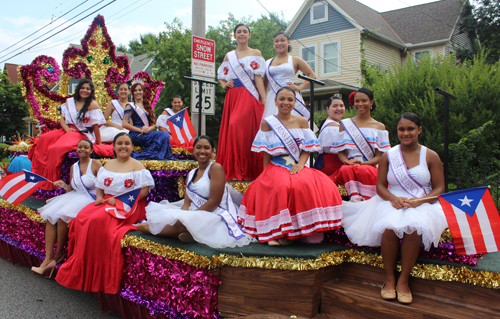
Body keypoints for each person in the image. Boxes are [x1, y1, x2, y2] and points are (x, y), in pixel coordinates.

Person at [341, 113, 447, 304]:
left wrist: (421, 200)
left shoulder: (431, 155)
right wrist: (392, 198)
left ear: (419, 130)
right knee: (389, 227)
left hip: (421, 201)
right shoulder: (389, 155)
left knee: (413, 228)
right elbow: (380, 186)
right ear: (396, 131)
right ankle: (389, 279)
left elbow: (440, 187)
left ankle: (403, 281)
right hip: (391, 200)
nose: (406, 133)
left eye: (410, 129)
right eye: (401, 129)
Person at [238, 87, 343, 246]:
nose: (285, 102)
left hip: (297, 164)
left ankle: (301, 230)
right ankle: (277, 232)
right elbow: (267, 152)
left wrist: (301, 165)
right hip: (276, 165)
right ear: (275, 101)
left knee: (306, 185)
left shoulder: (301, 121)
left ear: (295, 102)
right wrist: (265, 173)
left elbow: (307, 148)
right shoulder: (268, 123)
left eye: (290, 99)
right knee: (279, 186)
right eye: (282, 99)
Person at [55, 133, 155, 294]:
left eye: (127, 143)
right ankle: (80, 267)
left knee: (97, 220)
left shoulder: (138, 166)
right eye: (120, 143)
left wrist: (120, 201)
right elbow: (100, 185)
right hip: (106, 201)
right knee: (81, 218)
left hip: (130, 204)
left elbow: (144, 191)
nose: (123, 146)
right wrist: (100, 197)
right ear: (114, 147)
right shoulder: (107, 164)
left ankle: (99, 275)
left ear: (132, 147)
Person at [138, 135, 253, 248]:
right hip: (196, 210)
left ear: (213, 151)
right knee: (176, 220)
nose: (202, 151)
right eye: (198, 147)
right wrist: (184, 215)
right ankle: (192, 235)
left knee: (183, 224)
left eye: (206, 148)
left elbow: (214, 201)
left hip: (215, 212)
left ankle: (150, 230)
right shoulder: (191, 173)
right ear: (193, 151)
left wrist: (192, 217)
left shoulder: (215, 168)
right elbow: (187, 202)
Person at [28, 79, 113, 190]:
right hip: (67, 130)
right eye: (82, 88)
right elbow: (62, 119)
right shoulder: (70, 102)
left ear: (91, 91)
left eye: (88, 88)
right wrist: (67, 129)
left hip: (81, 133)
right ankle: (39, 173)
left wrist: (99, 142)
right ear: (78, 89)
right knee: (42, 139)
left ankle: (51, 179)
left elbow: (95, 127)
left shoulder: (93, 104)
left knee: (57, 147)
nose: (85, 90)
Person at [33, 139, 102, 277]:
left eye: (86, 147)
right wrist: (64, 185)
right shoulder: (73, 167)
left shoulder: (96, 164)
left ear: (91, 150)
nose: (82, 149)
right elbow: (72, 189)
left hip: (90, 198)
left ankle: (58, 256)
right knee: (50, 216)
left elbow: (102, 185)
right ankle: (48, 257)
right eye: (79, 147)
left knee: (61, 217)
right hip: (75, 196)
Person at [217, 24, 267, 181]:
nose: (242, 34)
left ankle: (247, 169)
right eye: (239, 32)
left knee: (239, 128)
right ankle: (233, 169)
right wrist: (224, 85)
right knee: (232, 129)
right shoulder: (229, 55)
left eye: (245, 31)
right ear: (235, 36)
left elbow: (258, 77)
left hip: (248, 95)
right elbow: (220, 75)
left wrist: (263, 98)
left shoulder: (255, 53)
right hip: (233, 96)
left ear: (249, 35)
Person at [332, 88, 390, 201]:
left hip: (370, 167)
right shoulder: (345, 124)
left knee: (362, 171)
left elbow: (380, 157)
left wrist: (363, 163)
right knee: (343, 171)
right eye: (357, 101)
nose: (360, 104)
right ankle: (353, 197)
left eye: (364, 100)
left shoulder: (380, 127)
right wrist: (347, 162)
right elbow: (341, 153)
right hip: (349, 167)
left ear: (371, 102)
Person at [263, 31, 316, 120]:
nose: (279, 43)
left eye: (282, 40)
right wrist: (263, 98)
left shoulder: (295, 60)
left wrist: (300, 87)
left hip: (290, 95)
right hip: (272, 97)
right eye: (276, 41)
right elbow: (265, 83)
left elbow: (312, 75)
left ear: (288, 42)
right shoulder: (267, 62)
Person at [122, 81, 173, 160]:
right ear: (132, 93)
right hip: (136, 134)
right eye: (135, 90)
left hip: (147, 132)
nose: (137, 92)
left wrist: (148, 129)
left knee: (165, 135)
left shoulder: (147, 106)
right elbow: (124, 124)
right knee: (163, 135)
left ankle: (153, 155)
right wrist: (140, 130)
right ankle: (152, 156)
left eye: (140, 90)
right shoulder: (130, 106)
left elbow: (152, 125)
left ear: (143, 92)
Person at [315, 96, 346, 179]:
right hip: (333, 168)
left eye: (341, 106)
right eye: (335, 106)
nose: (339, 108)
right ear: (328, 109)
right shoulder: (331, 127)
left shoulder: (337, 124)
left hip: (337, 166)